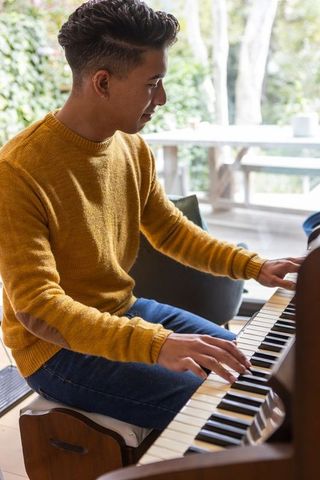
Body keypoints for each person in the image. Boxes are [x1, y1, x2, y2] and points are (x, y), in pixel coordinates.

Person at [0, 0, 301, 431]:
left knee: (256, 372)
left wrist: (255, 265)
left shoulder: (130, 147)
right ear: (102, 83)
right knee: (239, 409)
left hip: (124, 311)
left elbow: (172, 231)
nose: (161, 98)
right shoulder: (18, 170)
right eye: (153, 83)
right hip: (55, 351)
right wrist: (157, 344)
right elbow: (39, 310)